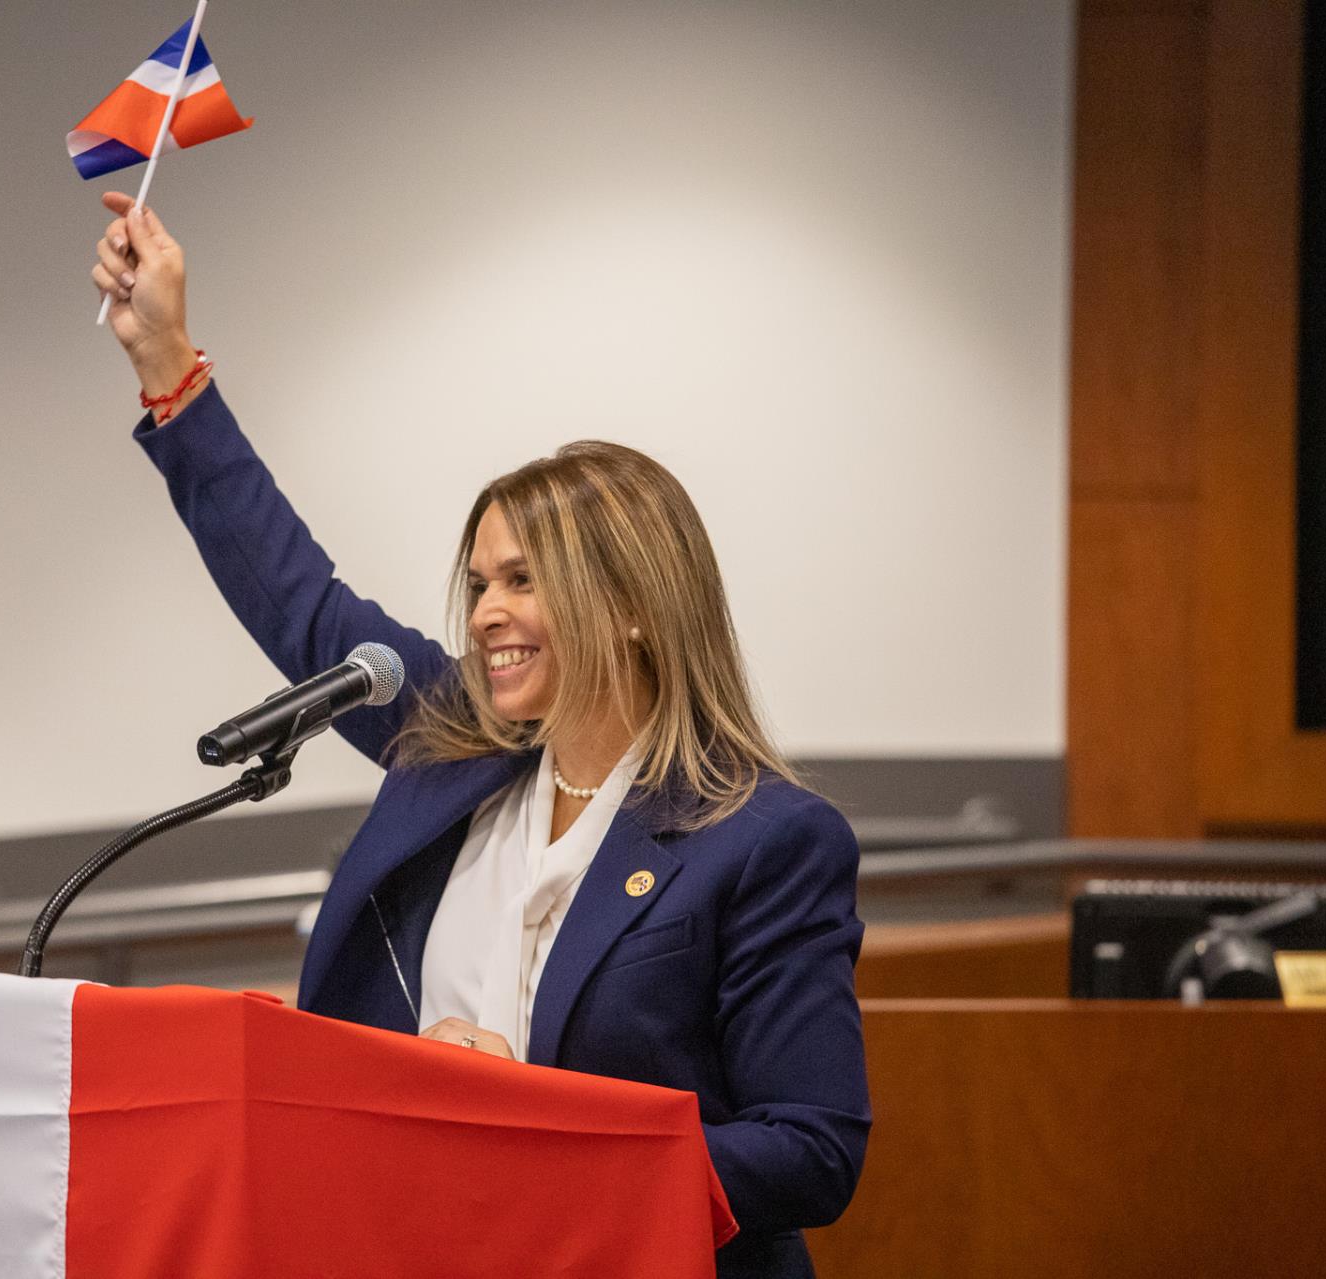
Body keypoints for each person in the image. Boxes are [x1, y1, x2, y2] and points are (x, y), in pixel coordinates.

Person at [90, 191, 869, 1279]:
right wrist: (168, 364)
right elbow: (298, 598)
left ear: (636, 602)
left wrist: (538, 1130)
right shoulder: (450, 741)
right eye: (480, 583)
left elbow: (813, 1147)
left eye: (522, 579)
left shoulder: (766, 837)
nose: (487, 611)